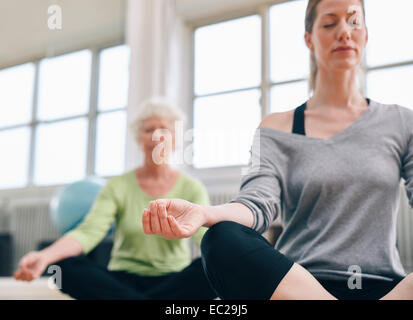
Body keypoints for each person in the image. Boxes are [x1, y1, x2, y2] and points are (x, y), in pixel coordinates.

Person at [141, 0, 413, 300]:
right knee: (220, 238)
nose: (344, 32)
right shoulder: (276, 127)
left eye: (354, 21)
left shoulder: (401, 122)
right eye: (329, 23)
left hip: (387, 288)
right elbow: (257, 204)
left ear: (365, 35)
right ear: (309, 39)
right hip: (298, 288)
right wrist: (204, 213)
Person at [13, 98, 216, 300]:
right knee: (62, 267)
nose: (156, 135)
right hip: (122, 279)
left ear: (175, 138)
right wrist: (45, 256)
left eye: (163, 129)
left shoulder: (191, 187)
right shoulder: (117, 186)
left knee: (214, 268)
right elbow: (89, 231)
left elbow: (206, 237)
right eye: (148, 130)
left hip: (174, 280)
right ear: (139, 138)